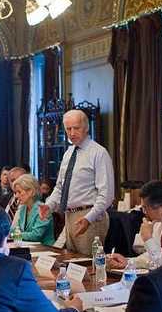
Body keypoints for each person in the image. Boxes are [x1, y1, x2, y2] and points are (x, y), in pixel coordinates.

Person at [40, 109, 115, 255]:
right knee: (71, 265)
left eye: (76, 128)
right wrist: (49, 205)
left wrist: (89, 218)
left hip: (90, 216)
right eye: (68, 129)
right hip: (69, 216)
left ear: (86, 128)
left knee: (87, 267)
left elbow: (106, 195)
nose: (72, 133)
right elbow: (61, 187)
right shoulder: (69, 152)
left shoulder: (98, 152)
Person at [108, 180, 162, 270]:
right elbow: (152, 255)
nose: (144, 213)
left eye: (146, 208)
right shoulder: (159, 224)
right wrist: (128, 262)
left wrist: (148, 239)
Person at [12, 174, 55, 245]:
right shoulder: (23, 208)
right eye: (16, 192)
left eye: (19, 192)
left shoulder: (43, 208)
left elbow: (36, 235)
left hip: (45, 250)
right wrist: (15, 234)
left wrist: (14, 235)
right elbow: (15, 230)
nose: (16, 196)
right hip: (28, 247)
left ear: (30, 192)